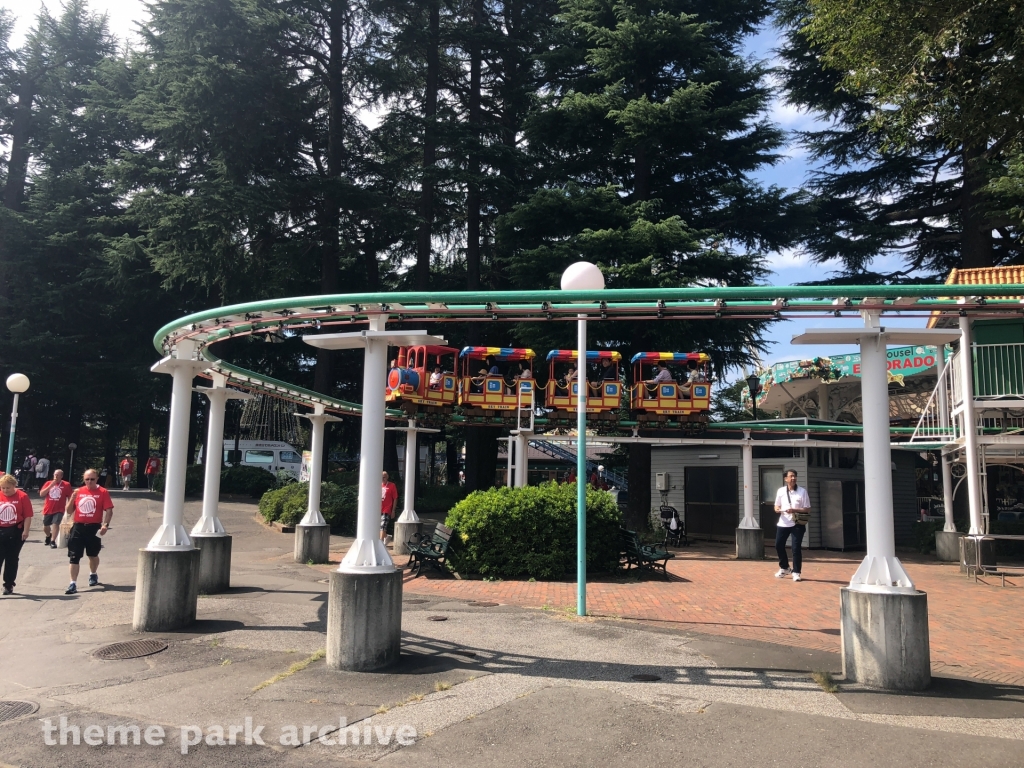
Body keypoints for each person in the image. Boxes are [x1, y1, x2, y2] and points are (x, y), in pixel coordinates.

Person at [64, 469, 114, 595]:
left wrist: (105, 525)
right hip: (78, 527)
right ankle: (72, 584)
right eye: (87, 479)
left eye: (92, 479)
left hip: (94, 528)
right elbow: (69, 511)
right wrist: (72, 499)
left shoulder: (103, 492)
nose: (89, 482)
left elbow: (109, 510)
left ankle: (93, 573)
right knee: (74, 556)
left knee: (92, 555)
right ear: (84, 479)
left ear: (97, 479)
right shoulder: (78, 491)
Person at [774, 469, 810, 582]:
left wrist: (794, 509)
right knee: (778, 545)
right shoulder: (780, 491)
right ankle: (784, 567)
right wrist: (778, 510)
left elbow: (807, 509)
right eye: (791, 476)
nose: (793, 478)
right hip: (783, 523)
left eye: (794, 476)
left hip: (797, 523)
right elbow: (776, 506)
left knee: (796, 548)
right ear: (786, 479)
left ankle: (796, 572)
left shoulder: (802, 491)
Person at [0, 474, 33, 595]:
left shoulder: (22, 496)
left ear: (14, 486)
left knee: (11, 558)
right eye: (3, 488)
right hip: (1, 529)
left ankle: (8, 584)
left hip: (15, 530)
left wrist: (26, 531)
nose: (5, 490)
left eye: (8, 488)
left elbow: (28, 515)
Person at [39, 469, 72, 548]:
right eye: (55, 474)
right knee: (45, 526)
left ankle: (53, 541)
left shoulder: (66, 485)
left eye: (58, 475)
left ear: (61, 476)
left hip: (59, 509)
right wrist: (51, 486)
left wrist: (70, 506)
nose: (56, 476)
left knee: (56, 524)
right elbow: (41, 494)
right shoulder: (48, 483)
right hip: (48, 508)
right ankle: (48, 536)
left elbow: (70, 496)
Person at [380, 471, 398, 543]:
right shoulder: (378, 485)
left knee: (383, 526)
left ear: (387, 477)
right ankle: (386, 536)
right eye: (381, 477)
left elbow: (395, 498)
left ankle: (380, 542)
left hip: (387, 509)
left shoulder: (392, 485)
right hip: (378, 509)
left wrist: (393, 510)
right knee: (379, 526)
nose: (382, 479)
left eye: (384, 477)